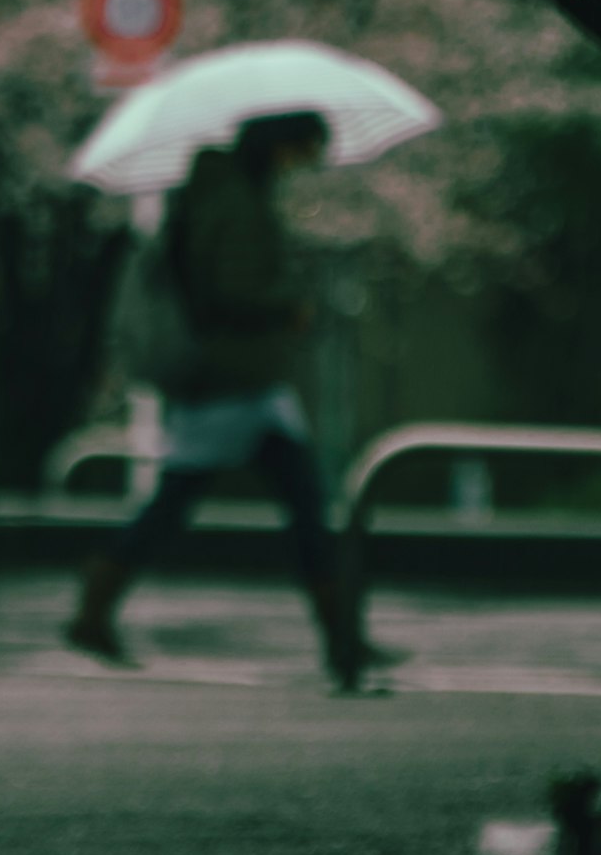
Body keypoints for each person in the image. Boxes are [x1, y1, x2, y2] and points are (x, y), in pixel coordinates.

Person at [69, 110, 394, 690]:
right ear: (280, 147)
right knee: (211, 503)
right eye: (306, 150)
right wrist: (288, 305)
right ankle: (94, 606)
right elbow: (227, 291)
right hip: (232, 380)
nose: (309, 164)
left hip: (243, 383)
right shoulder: (236, 204)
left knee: (295, 502)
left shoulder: (216, 194)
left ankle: (342, 636)